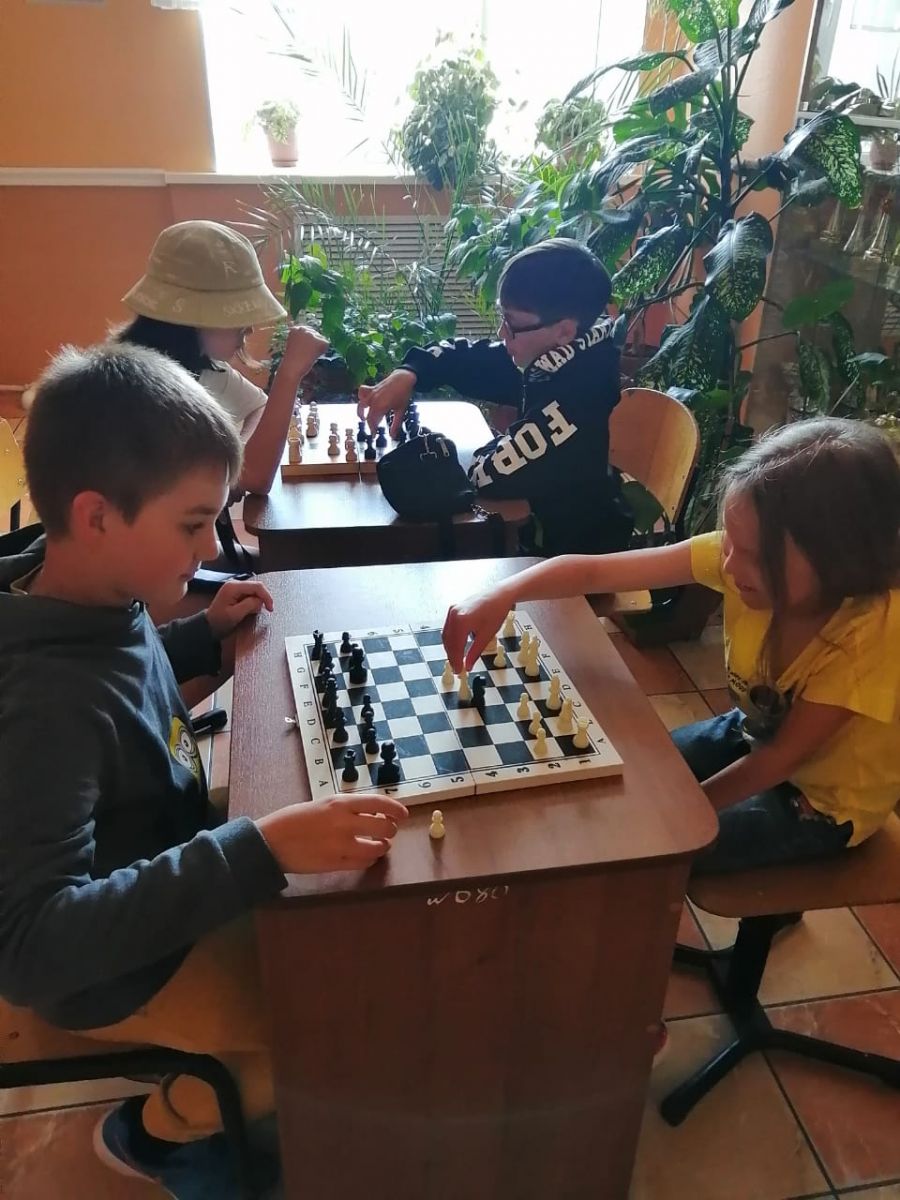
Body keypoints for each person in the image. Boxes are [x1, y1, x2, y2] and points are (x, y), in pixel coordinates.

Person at [0, 343, 408, 1198]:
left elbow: (122, 666)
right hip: (114, 968)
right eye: (193, 526)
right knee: (336, 1024)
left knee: (351, 920)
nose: (212, 547)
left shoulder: (84, 589)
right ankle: (153, 1134)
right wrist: (255, 850)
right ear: (96, 516)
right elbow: (32, 950)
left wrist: (198, 636)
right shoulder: (42, 707)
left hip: (166, 850)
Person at [442, 418, 900, 874]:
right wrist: (500, 593)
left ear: (839, 559)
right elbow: (595, 572)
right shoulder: (741, 560)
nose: (729, 566)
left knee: (649, 849)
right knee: (627, 783)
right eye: (730, 542)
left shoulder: (869, 634)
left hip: (823, 800)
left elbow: (781, 759)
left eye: (754, 556)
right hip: (754, 730)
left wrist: (679, 814)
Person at [357, 238, 633, 558]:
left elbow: (489, 475)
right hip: (542, 540)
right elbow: (474, 361)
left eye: (511, 323)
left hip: (572, 559)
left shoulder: (578, 396)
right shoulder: (559, 353)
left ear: (564, 331)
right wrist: (411, 371)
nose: (502, 333)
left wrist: (493, 444)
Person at [118, 219, 327, 501]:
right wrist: (289, 373)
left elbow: (259, 407)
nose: (249, 329)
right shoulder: (142, 395)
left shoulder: (204, 366)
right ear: (191, 319)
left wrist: (233, 460)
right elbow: (257, 477)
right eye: (238, 319)